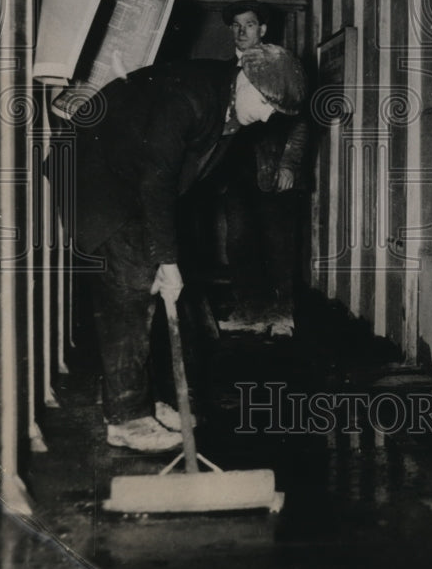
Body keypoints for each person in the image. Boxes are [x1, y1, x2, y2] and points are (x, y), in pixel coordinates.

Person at [70, 44, 307, 452]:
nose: (268, 116)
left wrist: (167, 254)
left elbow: (181, 182)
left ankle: (141, 400)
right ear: (244, 78)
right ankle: (127, 418)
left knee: (151, 284)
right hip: (100, 178)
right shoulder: (190, 97)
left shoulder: (230, 105)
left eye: (277, 113)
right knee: (130, 287)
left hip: (135, 183)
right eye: (268, 103)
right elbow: (156, 180)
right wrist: (166, 258)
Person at [219, 1, 310, 337]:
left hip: (274, 171)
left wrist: (289, 164)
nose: (242, 31)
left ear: (263, 30)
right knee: (240, 243)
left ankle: (282, 315)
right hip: (235, 172)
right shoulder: (226, 72)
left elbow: (300, 122)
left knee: (278, 243)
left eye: (250, 24)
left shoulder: (281, 66)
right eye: (237, 25)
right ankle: (248, 313)